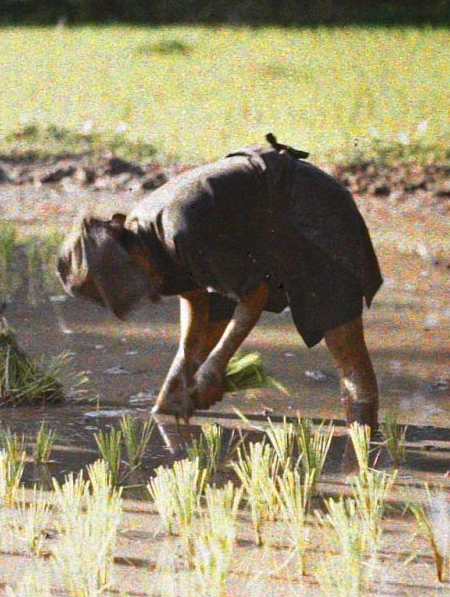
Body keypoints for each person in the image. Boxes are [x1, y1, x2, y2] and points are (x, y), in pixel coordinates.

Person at [55, 135, 383, 426]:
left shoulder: (181, 230)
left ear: (129, 249)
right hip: (255, 229)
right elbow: (196, 296)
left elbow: (253, 295)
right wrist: (180, 376)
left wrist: (215, 365)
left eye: (134, 277)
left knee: (345, 346)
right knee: (216, 311)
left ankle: (363, 450)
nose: (146, 284)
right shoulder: (146, 239)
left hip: (312, 210)